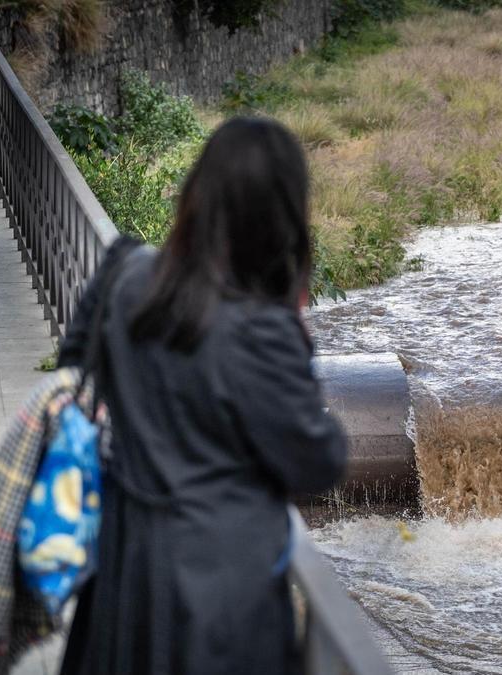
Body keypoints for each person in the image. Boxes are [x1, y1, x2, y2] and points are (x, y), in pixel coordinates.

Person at [56, 118, 348, 674]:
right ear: (280, 216)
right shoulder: (261, 330)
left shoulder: (127, 271)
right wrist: (295, 332)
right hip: (221, 599)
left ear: (198, 194)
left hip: (124, 572)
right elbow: (317, 462)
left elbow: (74, 363)